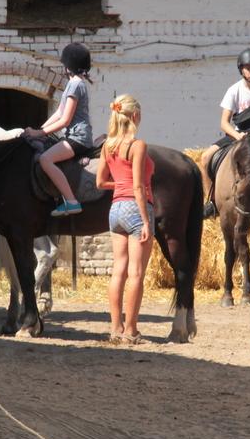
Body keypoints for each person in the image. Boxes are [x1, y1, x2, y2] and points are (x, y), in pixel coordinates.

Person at [96, 94, 154, 344]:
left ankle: (115, 328)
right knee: (136, 273)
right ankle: (131, 331)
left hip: (115, 209)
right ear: (135, 116)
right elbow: (139, 186)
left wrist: (120, 184)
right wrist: (146, 221)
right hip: (135, 208)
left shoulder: (107, 146)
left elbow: (100, 182)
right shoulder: (137, 145)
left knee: (118, 270)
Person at [200, 47, 250, 218]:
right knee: (205, 157)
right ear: (241, 70)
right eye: (248, 68)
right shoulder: (234, 90)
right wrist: (237, 136)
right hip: (237, 135)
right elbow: (224, 122)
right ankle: (211, 202)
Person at [25, 43, 94, 216]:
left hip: (78, 138)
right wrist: (40, 130)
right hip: (74, 137)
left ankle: (71, 202)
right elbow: (59, 112)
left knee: (45, 159)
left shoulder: (75, 85)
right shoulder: (75, 83)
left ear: (69, 66)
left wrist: (39, 133)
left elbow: (65, 120)